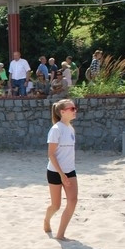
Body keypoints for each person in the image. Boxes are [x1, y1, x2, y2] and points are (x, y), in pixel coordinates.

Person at [43, 99, 78, 241]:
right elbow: (51, 154)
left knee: (73, 201)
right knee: (56, 205)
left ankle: (60, 234)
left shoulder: (70, 128)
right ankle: (46, 219)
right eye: (72, 108)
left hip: (70, 170)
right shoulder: (56, 129)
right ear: (62, 112)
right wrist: (62, 174)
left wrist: (67, 173)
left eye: (75, 108)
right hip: (55, 172)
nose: (75, 110)